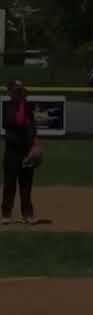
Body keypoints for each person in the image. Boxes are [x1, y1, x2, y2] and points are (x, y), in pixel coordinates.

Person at [2, 80, 42, 224]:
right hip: (12, 151)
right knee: (9, 184)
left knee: (26, 185)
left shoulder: (28, 108)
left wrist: (36, 145)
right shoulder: (7, 106)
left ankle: (28, 214)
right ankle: (6, 214)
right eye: (16, 91)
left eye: (21, 91)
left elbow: (32, 128)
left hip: (27, 151)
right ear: (10, 93)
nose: (19, 93)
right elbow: (15, 122)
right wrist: (22, 105)